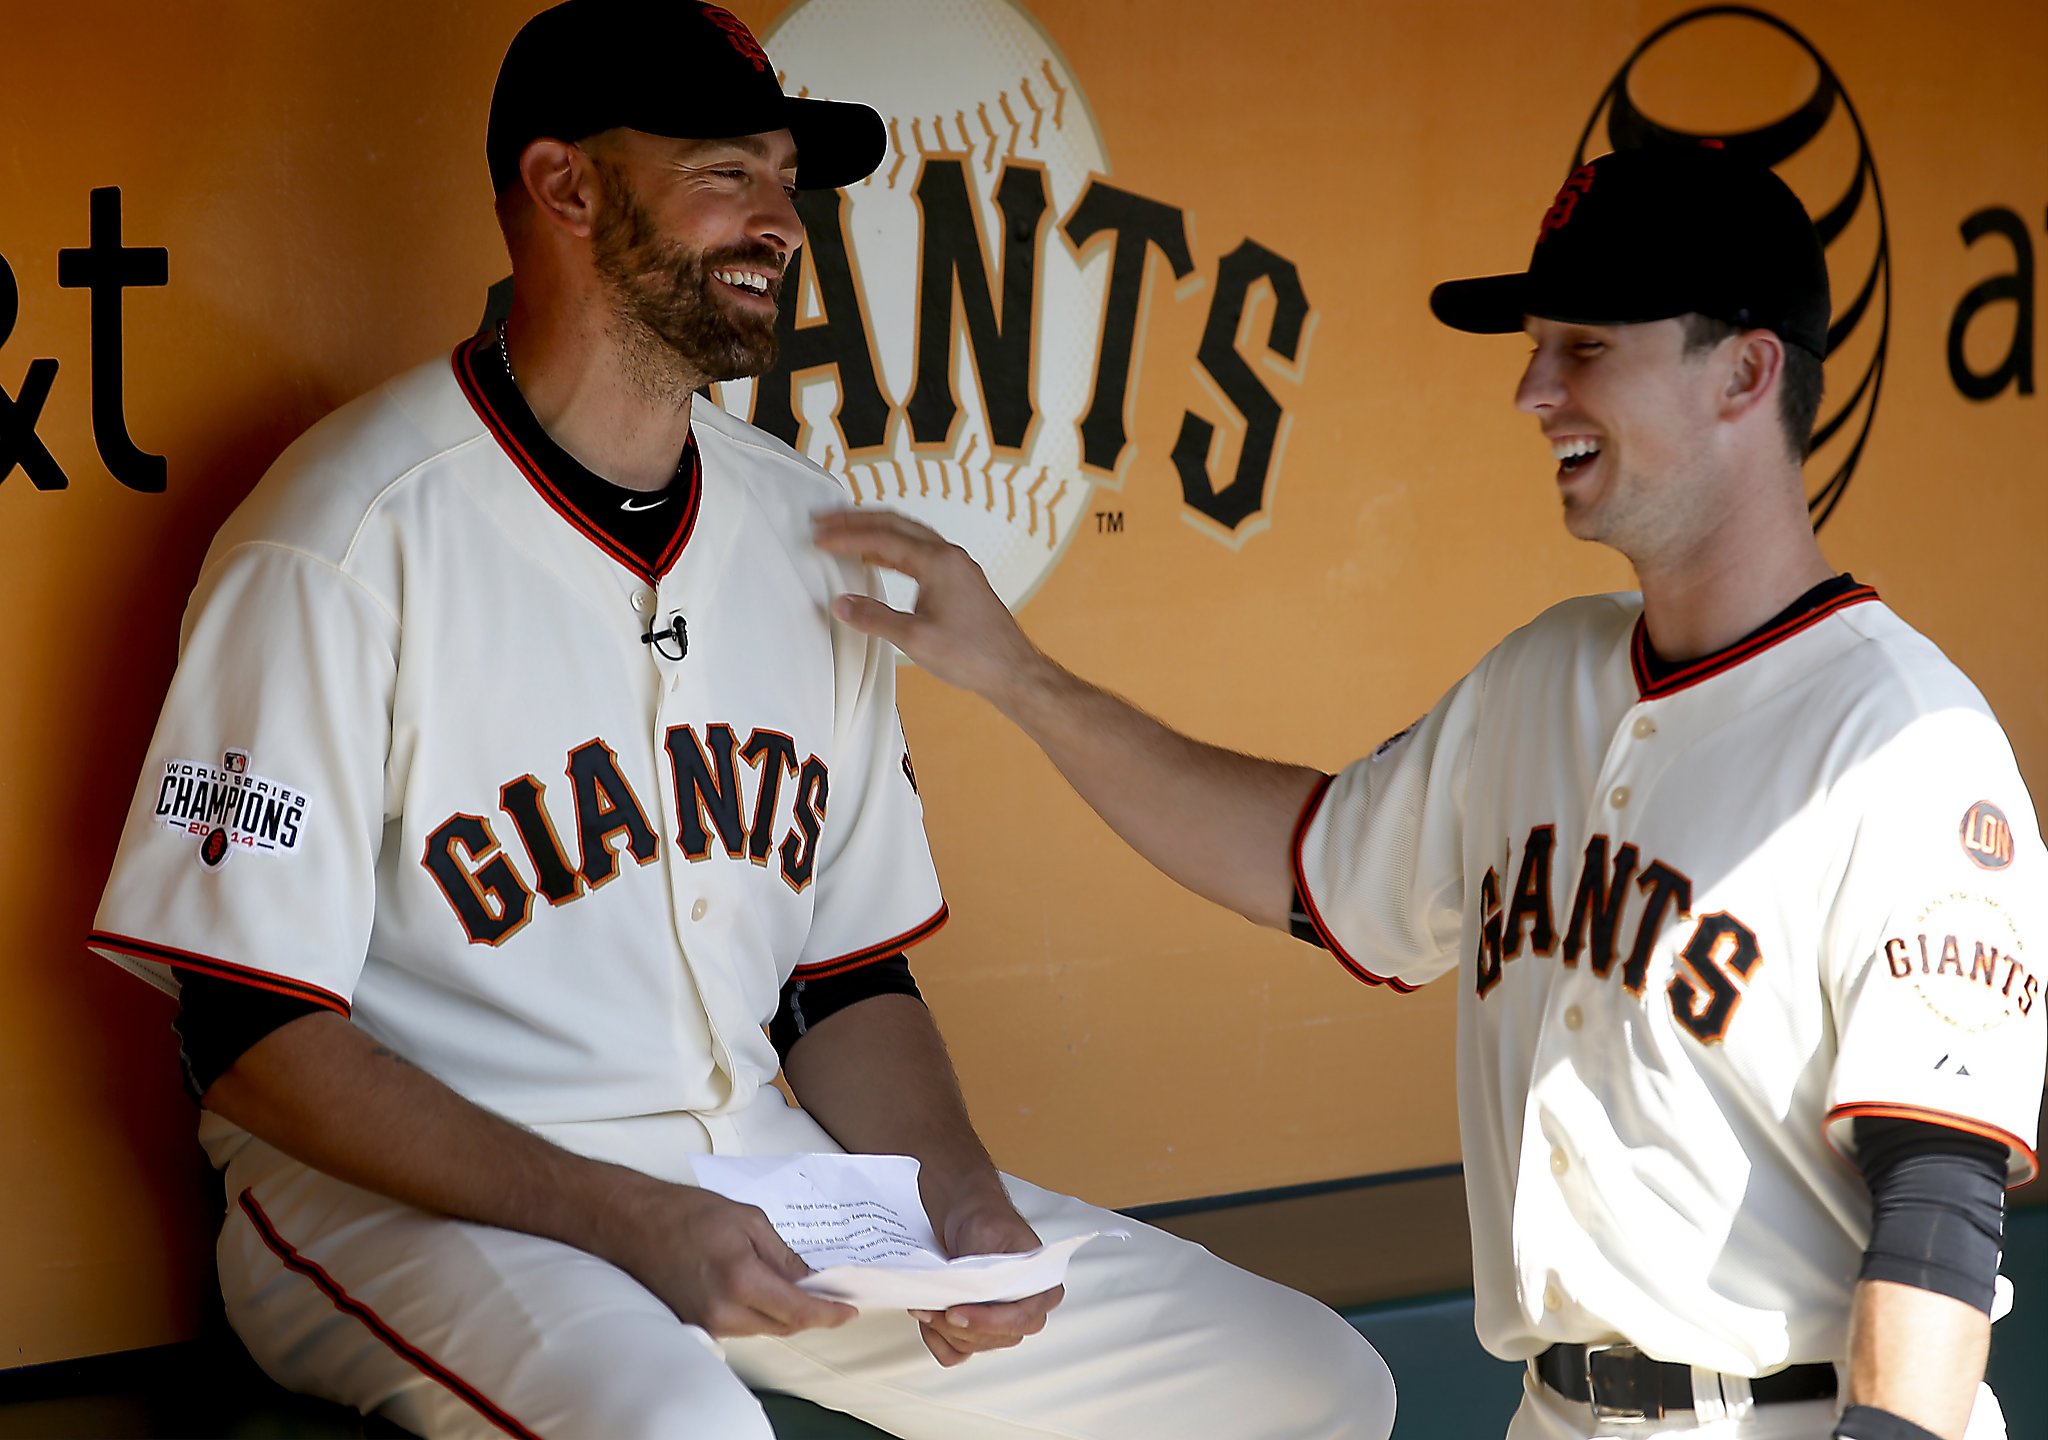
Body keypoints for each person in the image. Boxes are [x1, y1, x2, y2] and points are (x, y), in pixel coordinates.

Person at [84, 4, 1396, 1437]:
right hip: (417, 1205)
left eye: (787, 178)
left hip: (763, 1174)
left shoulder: (800, 530)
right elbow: (249, 1034)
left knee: (1305, 1383)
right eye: (727, 172)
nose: (781, 220)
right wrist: (624, 1216)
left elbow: (843, 982)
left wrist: (958, 1196)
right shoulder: (343, 534)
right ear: (566, 187)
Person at [814, 144, 2047, 1440]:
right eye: (1536, 345)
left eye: (1586, 346)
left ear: (1745, 371)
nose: (1531, 387)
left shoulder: (1904, 742)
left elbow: (1941, 1212)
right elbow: (1299, 861)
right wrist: (1019, 676)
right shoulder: (1542, 680)